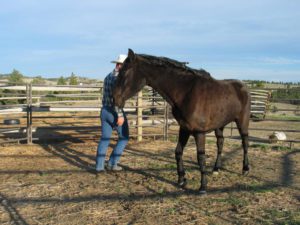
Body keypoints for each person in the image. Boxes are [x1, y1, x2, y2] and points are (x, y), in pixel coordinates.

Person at [95, 54, 129, 173]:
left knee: (105, 139)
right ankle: (112, 163)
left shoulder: (108, 76)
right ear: (122, 66)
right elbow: (117, 98)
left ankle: (99, 167)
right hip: (114, 111)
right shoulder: (118, 79)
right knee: (124, 137)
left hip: (104, 110)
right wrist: (119, 114)